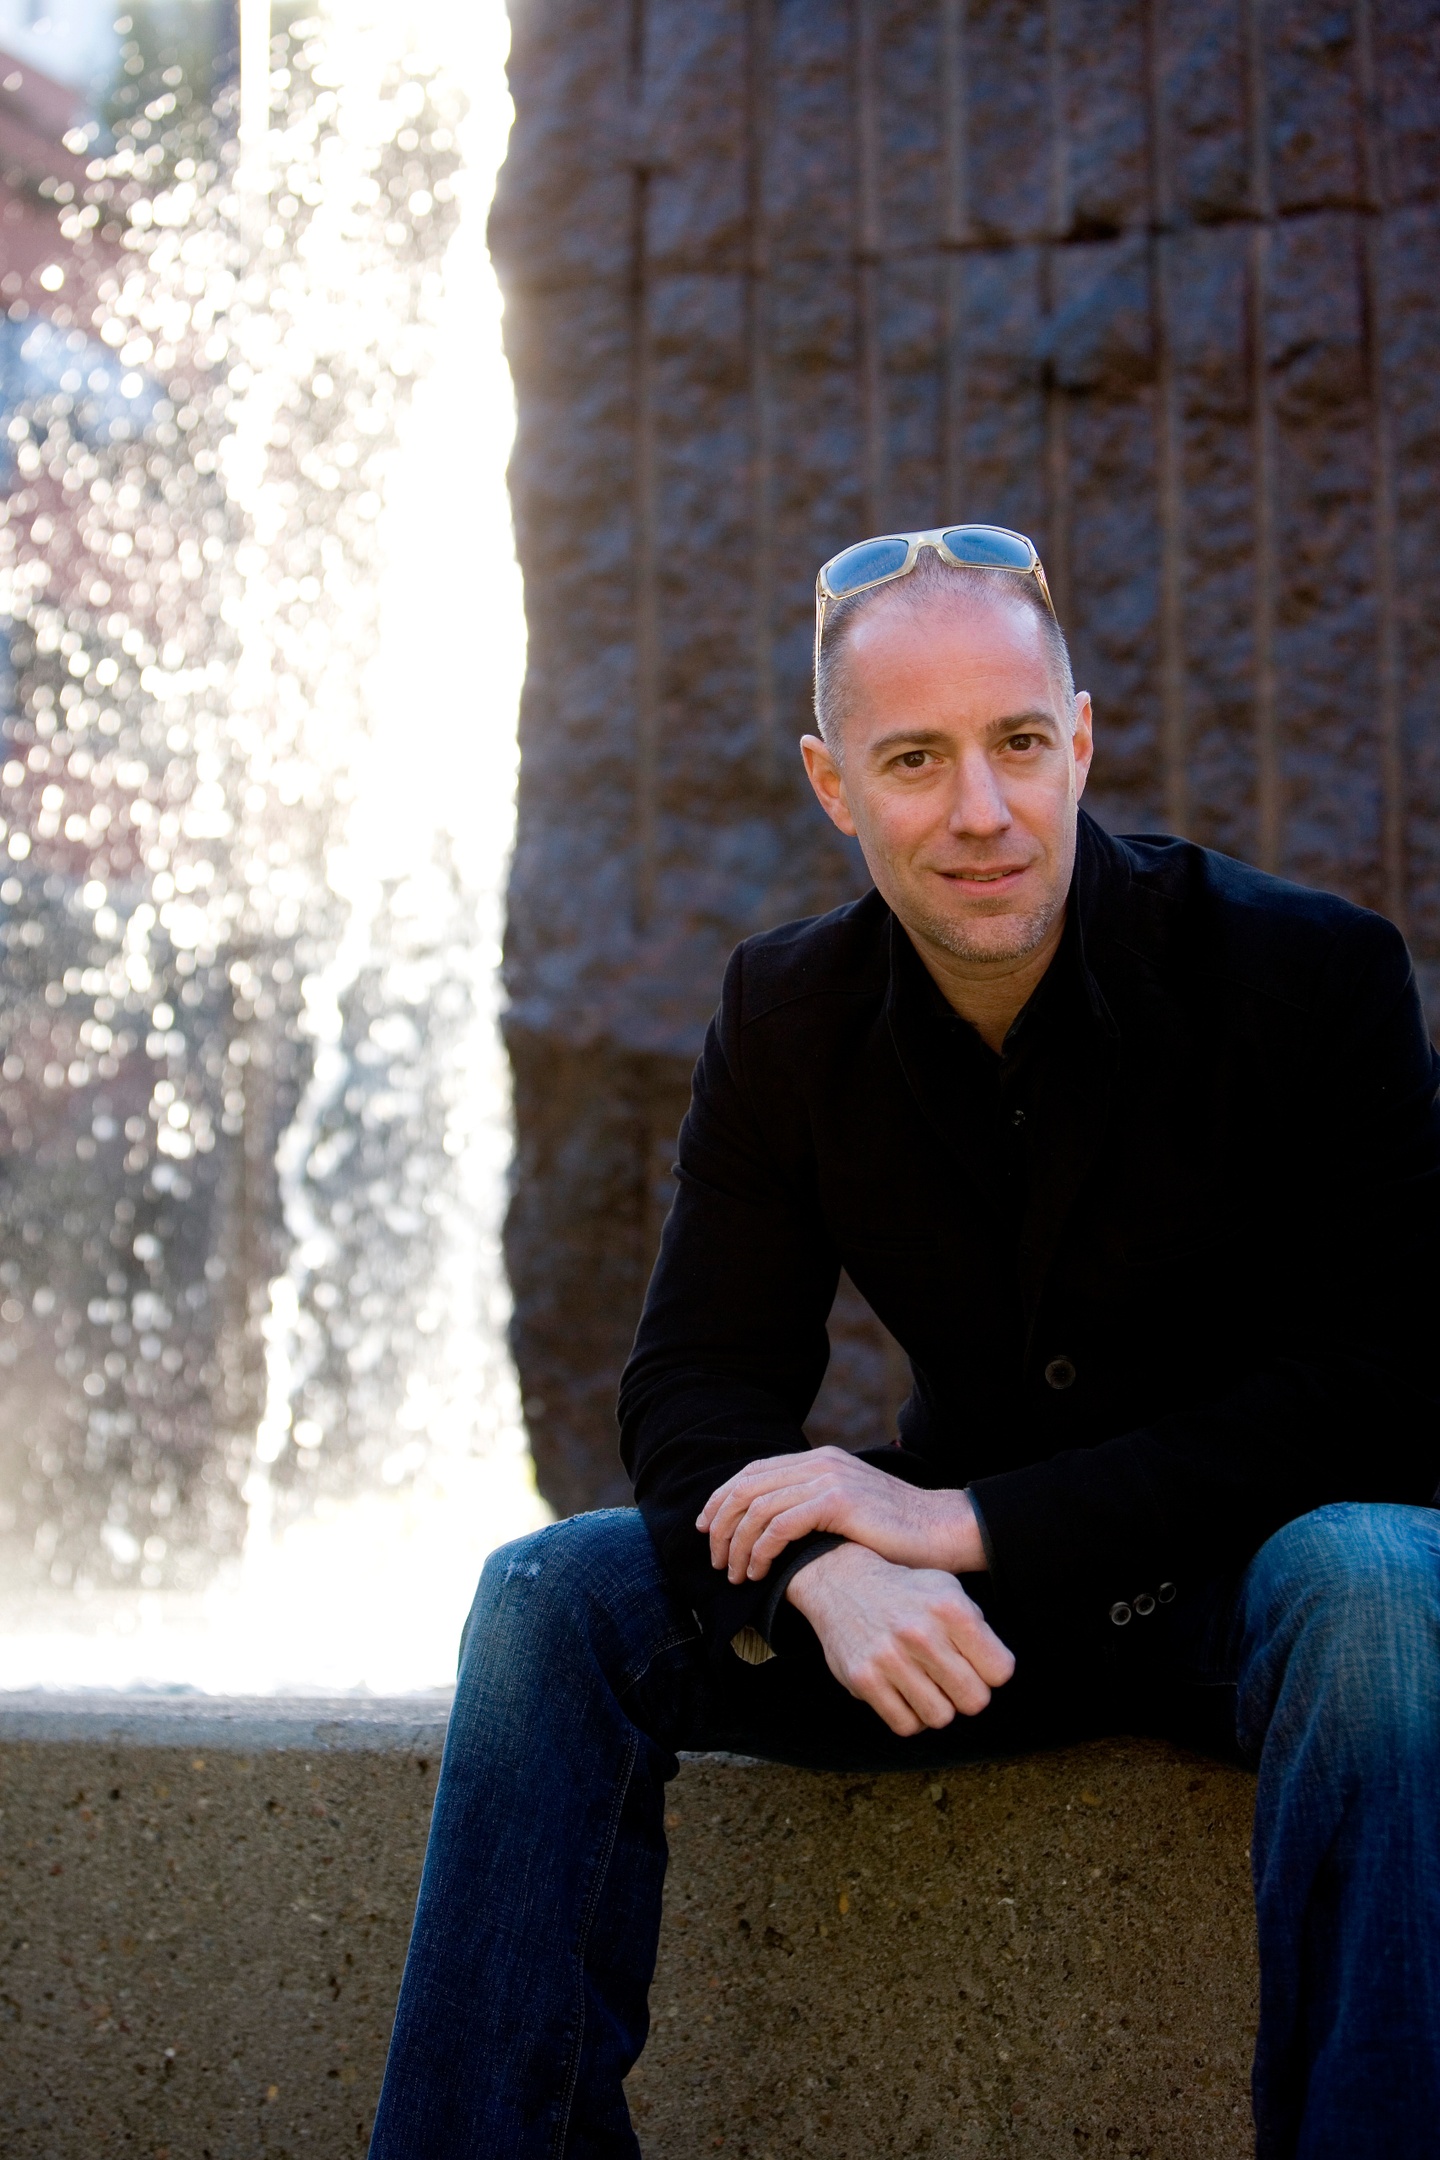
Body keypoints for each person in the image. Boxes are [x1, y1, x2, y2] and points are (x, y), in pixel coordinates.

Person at [368, 526, 1440, 2160]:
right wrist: (815, 1569)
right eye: (916, 760)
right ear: (832, 782)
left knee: (1380, 1581)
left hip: (1237, 1589)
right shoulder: (785, 1015)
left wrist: (967, 1521)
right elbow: (692, 1382)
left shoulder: (1311, 976)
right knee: (549, 1595)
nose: (984, 811)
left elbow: (1382, 1381)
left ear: (1079, 737)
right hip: (950, 1625)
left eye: (1018, 744)